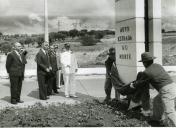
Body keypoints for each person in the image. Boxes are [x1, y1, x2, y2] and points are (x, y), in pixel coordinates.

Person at [130, 52, 176, 126]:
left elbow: (141, 83)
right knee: (156, 101)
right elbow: (156, 78)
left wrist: (133, 85)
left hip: (166, 90)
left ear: (144, 63)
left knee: (169, 111)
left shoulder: (147, 72)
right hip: (172, 86)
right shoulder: (158, 66)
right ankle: (156, 118)